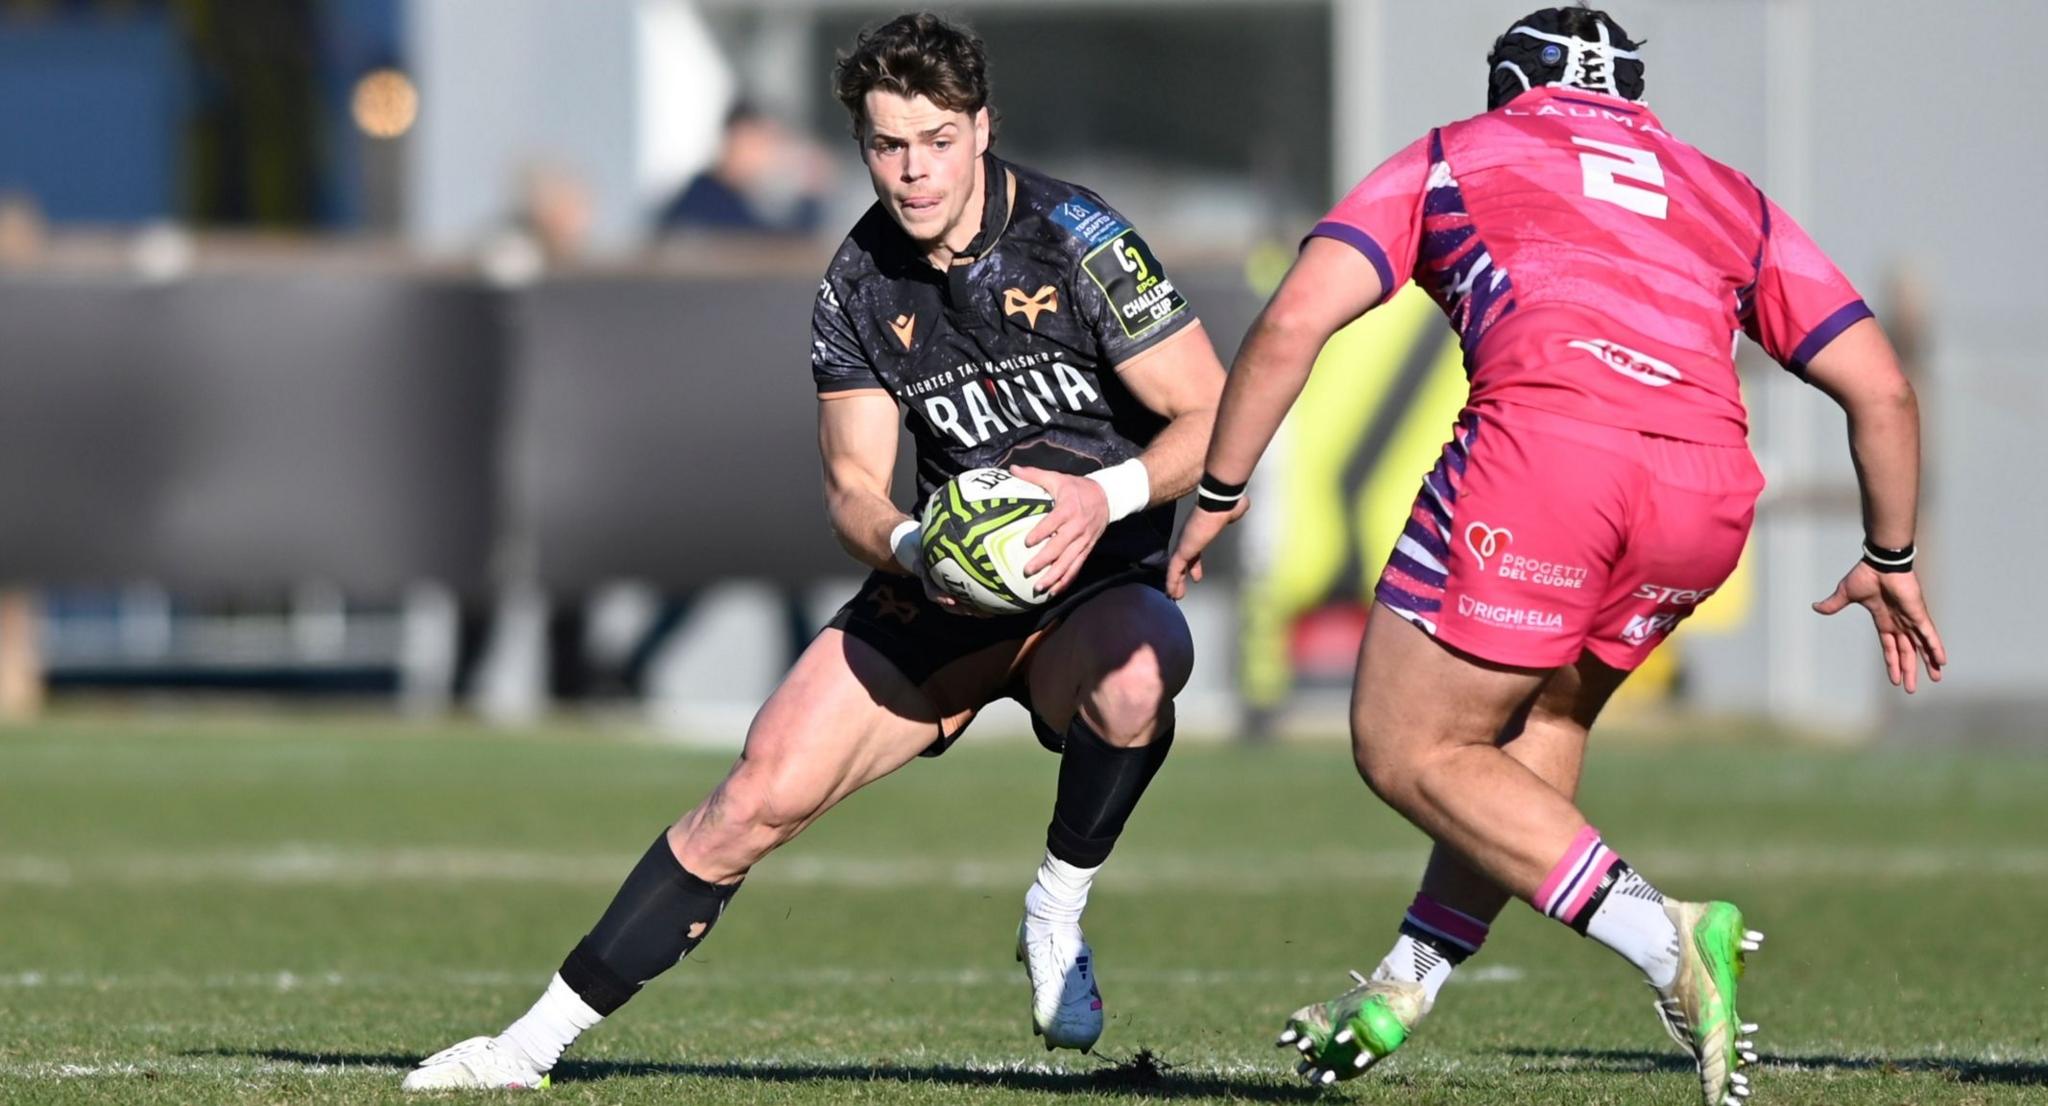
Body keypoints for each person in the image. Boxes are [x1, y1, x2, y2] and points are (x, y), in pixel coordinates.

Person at [403, 11, 1227, 1090]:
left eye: (936, 139)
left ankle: (1055, 907)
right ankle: (525, 1045)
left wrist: (1101, 493)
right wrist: (912, 545)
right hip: (945, 589)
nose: (913, 169)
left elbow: (1211, 408)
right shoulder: (854, 282)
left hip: (1095, 577)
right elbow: (849, 484)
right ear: (861, 148)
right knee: (751, 796)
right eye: (888, 146)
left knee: (1137, 673)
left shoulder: (1078, 237)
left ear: (981, 128)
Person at [1166, 8, 1946, 1105]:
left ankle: (1664, 933)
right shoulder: (1721, 188)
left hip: (1547, 461)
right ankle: (1403, 984)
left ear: (1506, 88)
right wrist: (1890, 551)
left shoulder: (1452, 154)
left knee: (1404, 742)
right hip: (1703, 494)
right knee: (1535, 725)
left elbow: (1295, 320)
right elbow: (1879, 385)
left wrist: (1217, 487)